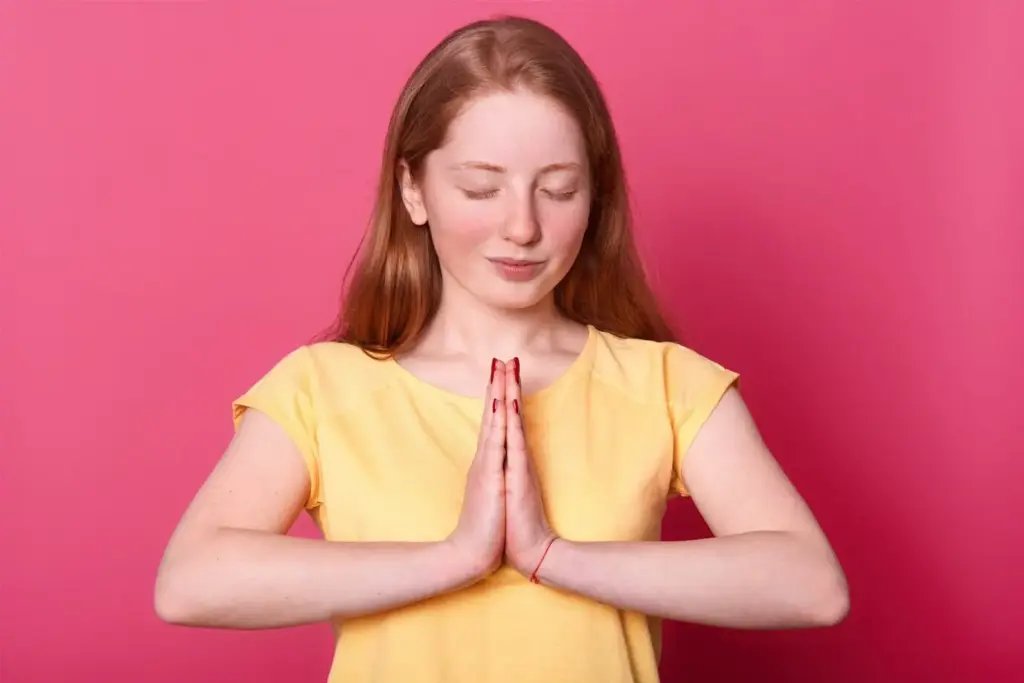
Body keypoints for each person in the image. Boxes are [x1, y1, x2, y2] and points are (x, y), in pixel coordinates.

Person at [154, 15, 849, 683]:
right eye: (481, 188)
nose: (522, 226)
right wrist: (457, 556)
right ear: (413, 190)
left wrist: (550, 555)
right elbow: (189, 581)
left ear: (594, 198)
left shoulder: (667, 385)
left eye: (558, 190)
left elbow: (811, 584)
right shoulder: (320, 389)